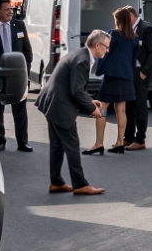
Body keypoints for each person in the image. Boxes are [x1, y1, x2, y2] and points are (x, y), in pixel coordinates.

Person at [36, 30, 107, 195]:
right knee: (72, 145)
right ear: (97, 45)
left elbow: (75, 86)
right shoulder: (83, 60)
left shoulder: (80, 54)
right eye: (106, 47)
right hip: (60, 106)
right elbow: (76, 91)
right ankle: (80, 185)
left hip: (52, 102)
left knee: (57, 145)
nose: (108, 50)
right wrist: (92, 109)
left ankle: (56, 182)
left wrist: (90, 100)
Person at [0, 0, 34, 151]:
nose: (10, 12)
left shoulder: (19, 26)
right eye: (6, 9)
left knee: (20, 110)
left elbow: (27, 51)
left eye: (11, 9)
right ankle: (0, 141)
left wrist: (25, 71)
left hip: (17, 76)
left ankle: (23, 142)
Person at [93, 8, 139, 154]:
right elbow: (133, 61)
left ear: (118, 20)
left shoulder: (113, 34)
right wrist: (131, 76)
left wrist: (99, 70)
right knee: (121, 109)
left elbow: (105, 54)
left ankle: (99, 143)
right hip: (127, 78)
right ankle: (120, 142)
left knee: (102, 108)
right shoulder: (134, 38)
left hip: (112, 77)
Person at [125, 7, 152, 150]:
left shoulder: (146, 28)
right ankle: (128, 137)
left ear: (131, 16)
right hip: (129, 72)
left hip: (140, 72)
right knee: (128, 105)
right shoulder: (128, 29)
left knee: (139, 105)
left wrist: (144, 72)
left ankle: (140, 139)